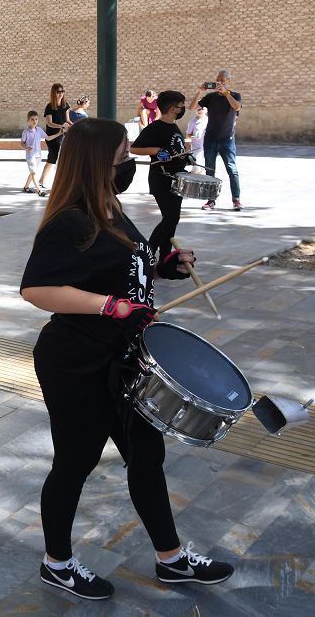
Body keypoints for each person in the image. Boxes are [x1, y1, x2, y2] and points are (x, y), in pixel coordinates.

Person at [20, 117, 233, 601]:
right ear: (99, 164)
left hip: (124, 357)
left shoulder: (109, 209)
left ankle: (171, 559)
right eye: (122, 159)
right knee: (75, 462)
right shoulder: (69, 219)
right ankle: (57, 563)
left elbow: (118, 269)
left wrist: (162, 267)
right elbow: (36, 289)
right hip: (76, 361)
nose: (130, 166)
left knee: (146, 456)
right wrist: (108, 306)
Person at [130, 90, 189, 260]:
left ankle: (165, 255)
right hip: (161, 179)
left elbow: (176, 148)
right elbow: (134, 148)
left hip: (177, 179)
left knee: (172, 218)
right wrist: (156, 151)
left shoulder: (174, 126)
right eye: (180, 106)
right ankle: (148, 253)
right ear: (172, 109)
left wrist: (186, 157)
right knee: (171, 217)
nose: (182, 109)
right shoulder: (155, 128)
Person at [189, 70, 243, 211]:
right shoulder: (211, 97)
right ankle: (210, 200)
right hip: (210, 139)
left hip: (227, 140)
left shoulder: (235, 95)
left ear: (229, 82)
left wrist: (226, 93)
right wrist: (200, 92)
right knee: (210, 171)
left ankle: (236, 200)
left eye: (223, 80)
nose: (220, 82)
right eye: (218, 79)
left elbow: (236, 106)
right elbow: (192, 107)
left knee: (232, 169)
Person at [21, 111, 61, 196]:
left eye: (36, 119)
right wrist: (26, 147)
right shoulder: (26, 132)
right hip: (30, 156)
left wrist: (59, 133)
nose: (34, 121)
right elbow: (22, 143)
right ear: (28, 120)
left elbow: (48, 138)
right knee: (34, 172)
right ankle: (39, 191)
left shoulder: (39, 130)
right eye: (32, 119)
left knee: (33, 172)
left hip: (38, 155)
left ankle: (26, 187)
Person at [39, 83, 71, 188]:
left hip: (61, 136)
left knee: (59, 159)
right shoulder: (49, 106)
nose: (61, 94)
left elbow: (68, 120)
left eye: (62, 91)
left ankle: (50, 181)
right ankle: (42, 180)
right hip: (52, 137)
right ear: (54, 93)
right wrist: (61, 126)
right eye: (58, 92)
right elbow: (49, 123)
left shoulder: (65, 104)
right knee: (53, 158)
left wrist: (74, 125)